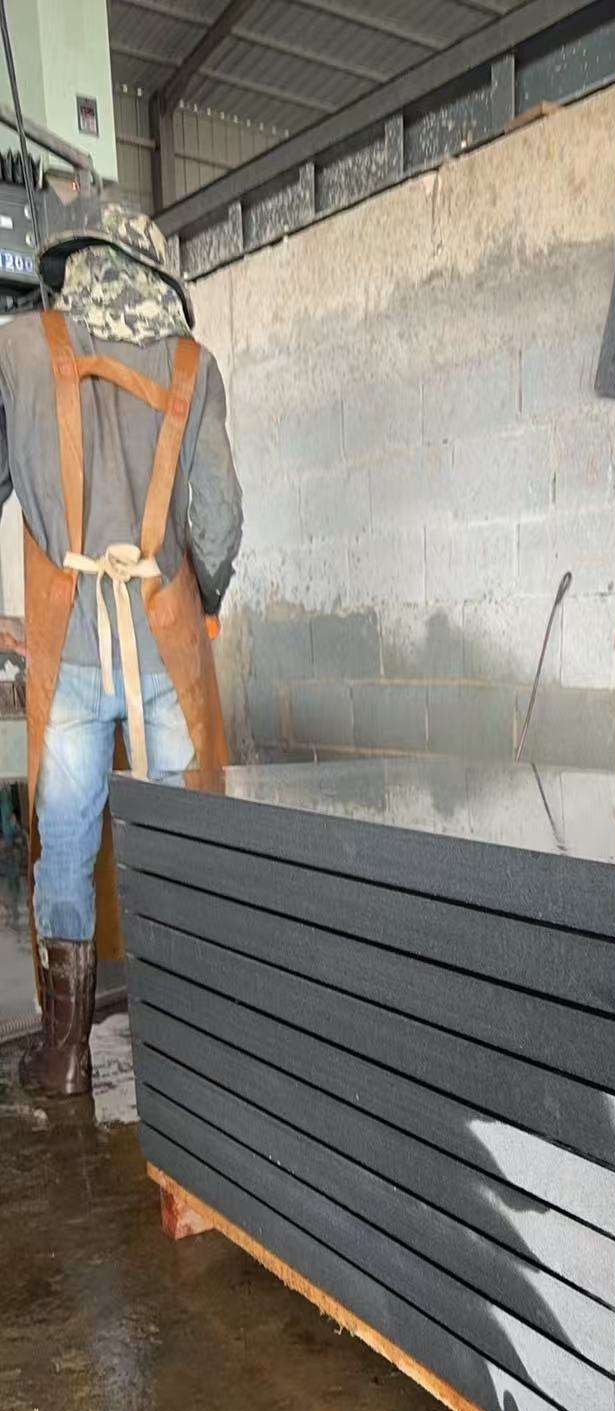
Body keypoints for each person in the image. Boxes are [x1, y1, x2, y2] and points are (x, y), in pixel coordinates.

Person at [0, 200, 242, 1096]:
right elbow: (220, 519)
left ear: (74, 263)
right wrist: (204, 600)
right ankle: (192, 1055)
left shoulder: (17, 349)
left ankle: (64, 1057)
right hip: (163, 640)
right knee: (184, 841)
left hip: (65, 645)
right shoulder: (192, 364)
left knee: (64, 840)